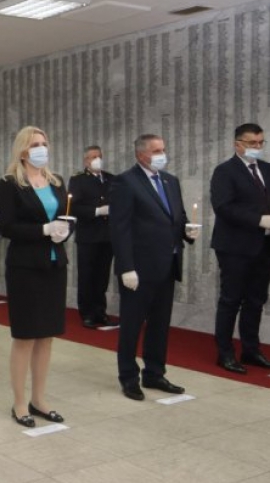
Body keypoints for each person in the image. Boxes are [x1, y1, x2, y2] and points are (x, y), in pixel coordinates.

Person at [110, 134, 199, 401]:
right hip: (138, 268)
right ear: (141, 155)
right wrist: (126, 267)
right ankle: (128, 377)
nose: (162, 154)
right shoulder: (126, 182)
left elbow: (177, 216)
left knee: (160, 324)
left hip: (167, 264)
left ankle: (155, 373)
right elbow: (120, 228)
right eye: (156, 150)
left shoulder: (170, 180)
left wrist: (187, 231)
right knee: (132, 324)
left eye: (163, 149)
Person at [0, 126, 71, 427]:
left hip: (54, 265)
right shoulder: (9, 183)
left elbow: (67, 216)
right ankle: (19, 403)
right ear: (23, 150)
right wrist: (43, 229)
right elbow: (7, 227)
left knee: (46, 336)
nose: (42, 149)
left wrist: (64, 231)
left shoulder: (56, 181)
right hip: (25, 268)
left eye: (44, 143)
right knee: (26, 336)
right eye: (35, 144)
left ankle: (39, 399)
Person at [210, 123, 270, 373]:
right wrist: (259, 220)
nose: (257, 147)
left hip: (263, 245)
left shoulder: (266, 169)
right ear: (238, 144)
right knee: (231, 299)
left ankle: (250, 350)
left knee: (256, 299)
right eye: (252, 143)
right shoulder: (225, 171)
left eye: (261, 142)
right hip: (234, 246)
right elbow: (223, 207)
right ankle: (225, 353)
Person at [68, 145, 114, 328]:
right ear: (86, 160)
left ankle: (100, 312)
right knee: (87, 276)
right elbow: (73, 207)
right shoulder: (78, 179)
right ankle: (87, 313)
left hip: (107, 236)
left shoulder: (111, 178)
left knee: (102, 277)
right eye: (93, 157)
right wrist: (96, 211)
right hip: (88, 235)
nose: (97, 159)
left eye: (99, 156)